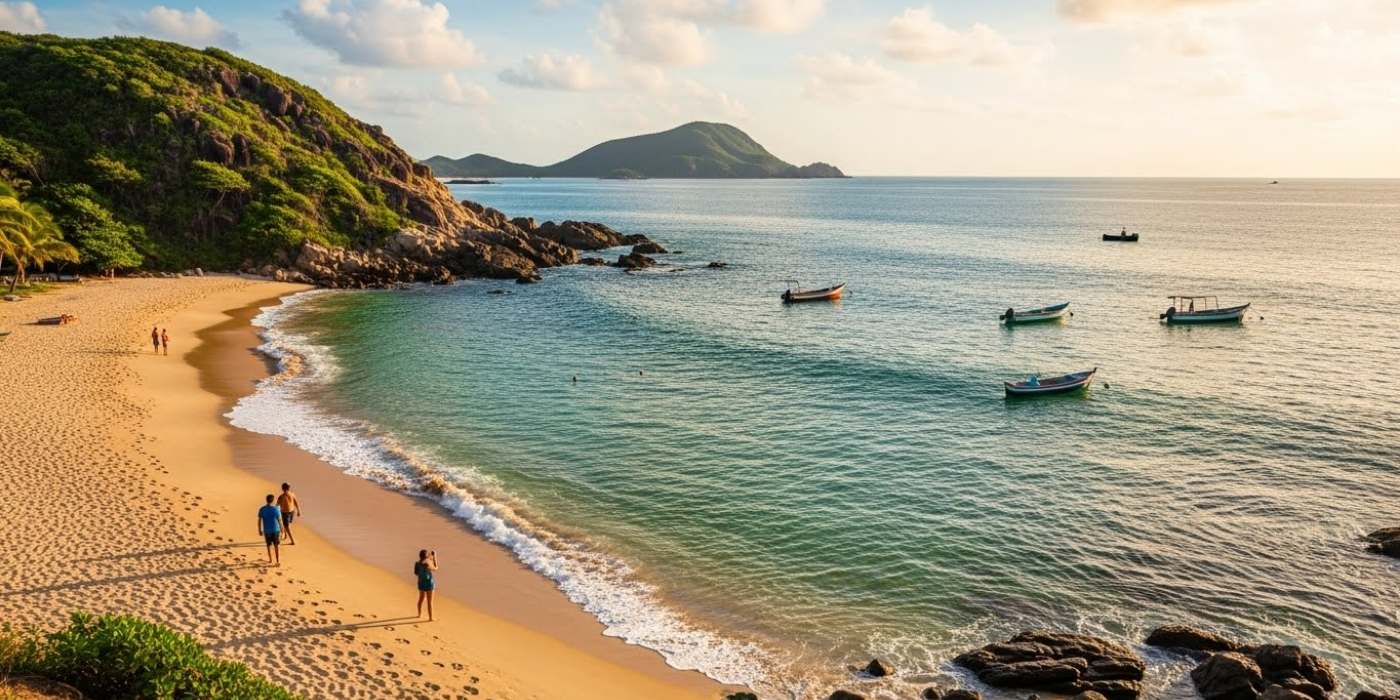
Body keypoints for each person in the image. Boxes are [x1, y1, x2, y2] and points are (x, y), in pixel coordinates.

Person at [257, 494, 282, 565]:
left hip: (267, 530)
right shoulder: (276, 509)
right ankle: (278, 560)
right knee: (276, 545)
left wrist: (259, 530)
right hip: (276, 530)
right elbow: (279, 520)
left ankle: (271, 559)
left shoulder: (262, 509)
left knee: (268, 545)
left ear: (266, 500)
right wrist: (282, 531)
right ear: (273, 500)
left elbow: (259, 521)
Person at [414, 550, 438, 621]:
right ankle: (431, 618)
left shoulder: (417, 563)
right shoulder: (427, 564)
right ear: (426, 557)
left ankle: (419, 614)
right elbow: (436, 568)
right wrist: (434, 557)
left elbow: (416, 573)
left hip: (421, 583)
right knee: (429, 601)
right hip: (429, 584)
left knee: (421, 599)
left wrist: (429, 557)